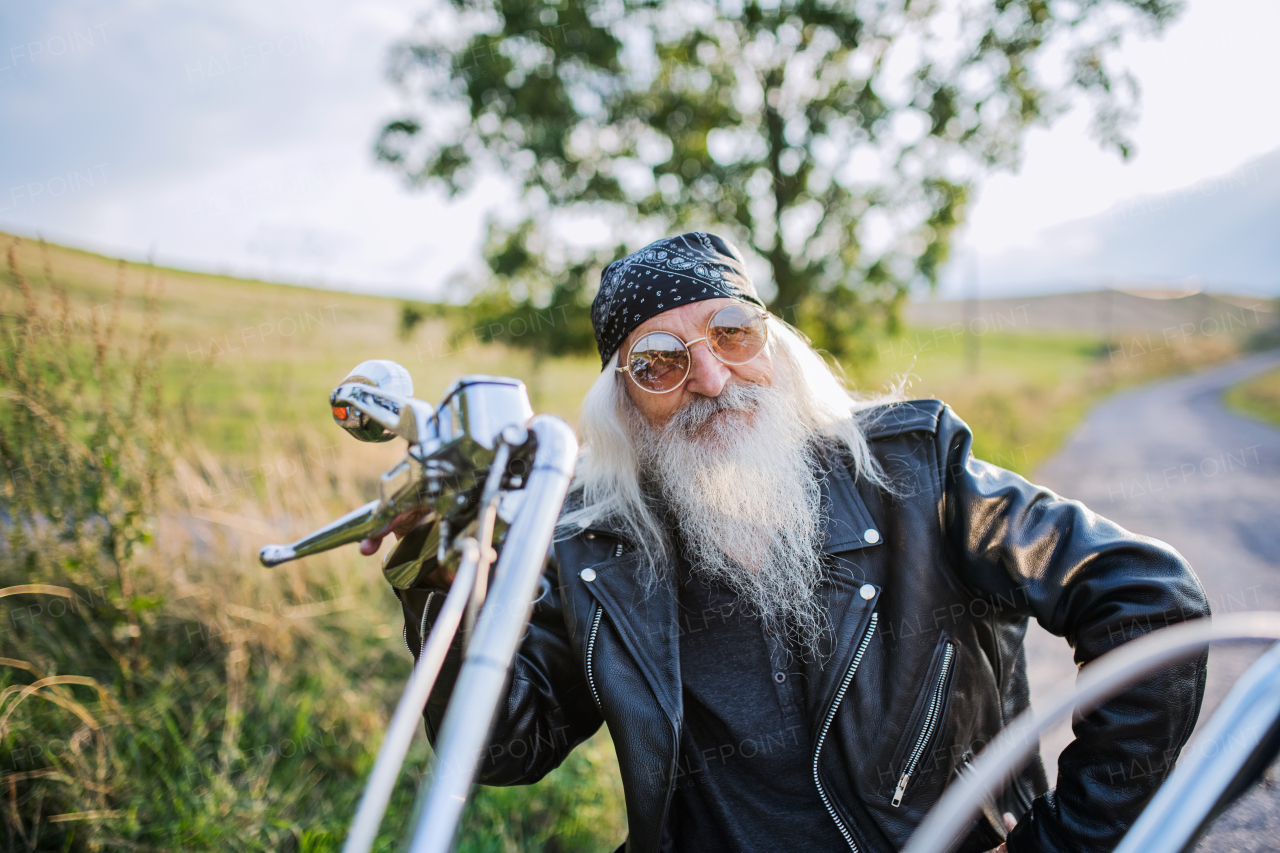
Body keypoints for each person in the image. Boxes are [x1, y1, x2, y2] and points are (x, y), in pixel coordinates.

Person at [365, 232, 1210, 853]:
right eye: (658, 361)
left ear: (774, 345)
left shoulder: (918, 477)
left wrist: (1062, 843)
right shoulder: (599, 553)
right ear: (623, 405)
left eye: (732, 332)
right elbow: (505, 748)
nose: (711, 378)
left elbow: (1151, 605)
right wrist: (436, 568)